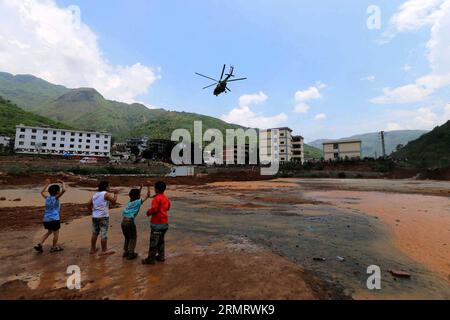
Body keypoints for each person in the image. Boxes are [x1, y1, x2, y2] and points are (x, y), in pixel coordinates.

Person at [34, 179, 66, 253]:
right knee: (56, 233)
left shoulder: (47, 198)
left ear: (49, 192)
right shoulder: (56, 198)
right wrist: (63, 182)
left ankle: (40, 244)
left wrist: (47, 184)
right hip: (54, 219)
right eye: (58, 191)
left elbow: (41, 192)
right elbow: (64, 190)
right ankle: (54, 247)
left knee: (49, 232)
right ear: (58, 192)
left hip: (46, 219)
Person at [142, 181, 171, 265]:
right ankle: (161, 257)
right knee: (161, 241)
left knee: (153, 243)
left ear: (156, 189)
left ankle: (150, 259)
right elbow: (168, 207)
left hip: (157, 224)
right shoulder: (166, 198)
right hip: (164, 224)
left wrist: (148, 212)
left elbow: (154, 209)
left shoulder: (157, 198)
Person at [88, 181, 119, 256]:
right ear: (106, 187)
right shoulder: (105, 194)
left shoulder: (95, 195)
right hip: (103, 217)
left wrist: (92, 211)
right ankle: (104, 250)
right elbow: (114, 202)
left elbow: (88, 204)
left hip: (95, 216)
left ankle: (92, 249)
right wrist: (116, 194)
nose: (110, 188)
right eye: (109, 186)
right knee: (103, 233)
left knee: (95, 233)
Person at [121, 184, 151, 260]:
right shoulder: (138, 202)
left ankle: (126, 252)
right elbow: (148, 195)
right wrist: (148, 186)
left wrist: (140, 188)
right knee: (133, 238)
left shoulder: (130, 202)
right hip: (129, 222)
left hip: (123, 221)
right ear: (138, 196)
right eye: (139, 195)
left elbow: (136, 195)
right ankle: (131, 253)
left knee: (127, 237)